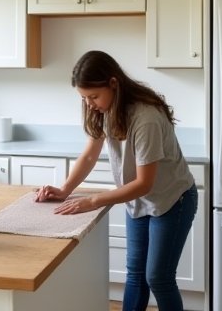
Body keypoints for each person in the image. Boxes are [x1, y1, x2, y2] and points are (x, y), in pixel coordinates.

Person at [35, 50, 197, 311]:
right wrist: (65, 189)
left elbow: (144, 183)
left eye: (93, 96)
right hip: (139, 200)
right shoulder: (104, 108)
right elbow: (89, 156)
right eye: (84, 98)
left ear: (113, 84)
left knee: (158, 277)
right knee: (135, 275)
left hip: (172, 201)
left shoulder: (146, 118)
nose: (89, 104)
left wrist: (93, 200)